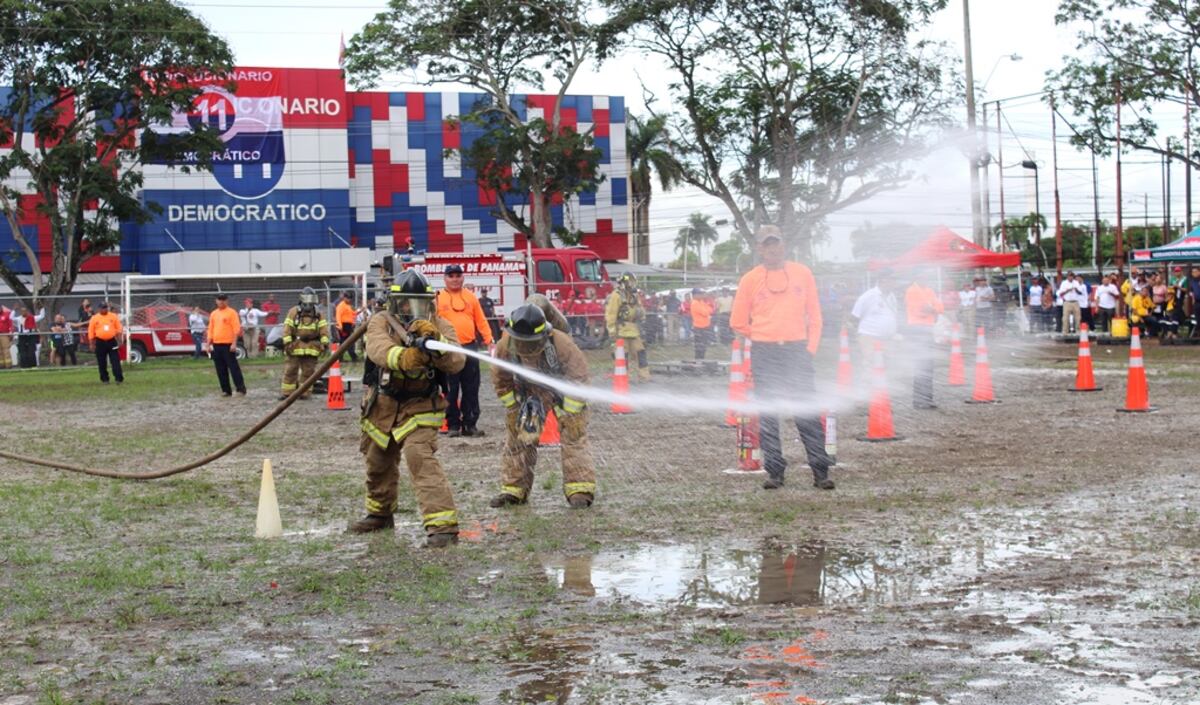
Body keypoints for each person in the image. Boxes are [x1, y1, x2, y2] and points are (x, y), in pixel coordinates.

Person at [350, 269, 465, 547]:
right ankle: (379, 514)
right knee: (378, 460)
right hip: (384, 404)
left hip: (421, 404)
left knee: (419, 457)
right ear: (395, 303)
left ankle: (442, 527)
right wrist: (406, 356)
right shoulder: (381, 321)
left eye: (419, 302)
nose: (412, 309)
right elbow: (378, 349)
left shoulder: (439, 324)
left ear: (429, 303)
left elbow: (457, 360)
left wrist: (437, 343)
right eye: (406, 302)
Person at [730, 225, 833, 491]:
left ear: (784, 245)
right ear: (759, 249)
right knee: (768, 413)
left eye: (776, 243)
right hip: (765, 353)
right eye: (767, 244)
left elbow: (816, 316)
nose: (772, 249)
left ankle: (820, 471)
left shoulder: (802, 273)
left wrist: (809, 347)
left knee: (806, 411)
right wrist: (763, 334)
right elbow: (738, 322)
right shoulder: (750, 279)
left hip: (797, 350)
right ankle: (775, 472)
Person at [489, 302, 594, 509]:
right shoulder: (504, 345)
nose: (525, 347)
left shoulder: (561, 343)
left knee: (573, 438)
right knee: (519, 440)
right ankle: (514, 490)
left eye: (531, 342)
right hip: (530, 393)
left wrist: (570, 411)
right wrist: (514, 407)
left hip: (563, 391)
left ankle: (580, 490)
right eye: (521, 342)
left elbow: (579, 376)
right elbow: (501, 379)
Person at [436, 263, 494, 437]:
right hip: (448, 349)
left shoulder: (471, 297)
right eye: (451, 276)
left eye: (458, 275)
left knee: (471, 387)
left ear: (463, 277)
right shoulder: (438, 298)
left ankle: (470, 424)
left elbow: (481, 320)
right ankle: (453, 424)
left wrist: (489, 340)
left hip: (470, 347)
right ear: (445, 279)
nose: (455, 279)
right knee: (450, 388)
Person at [279, 287, 330, 400]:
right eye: (307, 298)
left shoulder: (318, 314)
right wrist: (287, 342)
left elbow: (323, 329)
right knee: (291, 369)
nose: (308, 301)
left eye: (311, 298)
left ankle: (304, 392)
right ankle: (287, 393)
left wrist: (324, 343)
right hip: (295, 346)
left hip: (312, 346)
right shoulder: (294, 312)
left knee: (309, 372)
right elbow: (287, 328)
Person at [904, 272, 943, 409]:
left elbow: (940, 308)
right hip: (917, 330)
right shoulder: (912, 291)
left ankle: (926, 399)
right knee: (921, 365)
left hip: (927, 329)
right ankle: (920, 400)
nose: (925, 278)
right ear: (917, 277)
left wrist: (932, 310)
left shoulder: (929, 290)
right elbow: (919, 311)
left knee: (928, 365)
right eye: (923, 275)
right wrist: (933, 310)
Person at [605, 272, 650, 381]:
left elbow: (640, 309)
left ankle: (644, 376)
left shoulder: (634, 295)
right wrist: (612, 331)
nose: (632, 284)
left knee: (640, 352)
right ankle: (623, 377)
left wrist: (641, 314)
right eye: (630, 282)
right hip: (621, 330)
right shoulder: (616, 295)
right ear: (624, 282)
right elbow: (611, 314)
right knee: (622, 355)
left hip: (633, 329)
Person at [850, 270, 899, 367]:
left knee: (885, 366)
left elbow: (893, 316)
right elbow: (854, 316)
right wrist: (858, 336)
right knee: (871, 365)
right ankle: (867, 382)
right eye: (892, 280)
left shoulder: (892, 296)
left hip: (887, 339)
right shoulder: (868, 296)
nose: (895, 283)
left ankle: (882, 382)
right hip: (870, 338)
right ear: (883, 280)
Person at [205, 294, 246, 397]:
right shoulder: (214, 314)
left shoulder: (232, 313)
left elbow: (236, 329)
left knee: (233, 367)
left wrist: (234, 343)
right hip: (217, 344)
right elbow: (210, 329)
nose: (221, 302)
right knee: (220, 369)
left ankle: (240, 388)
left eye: (223, 300)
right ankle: (226, 390)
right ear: (216, 301)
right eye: (219, 300)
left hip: (228, 344)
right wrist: (208, 344)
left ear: (227, 301)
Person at [87, 301, 124, 384]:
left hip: (111, 341)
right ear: (99, 309)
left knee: (115, 360)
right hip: (100, 342)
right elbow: (91, 331)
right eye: (102, 308)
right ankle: (105, 379)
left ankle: (118, 378)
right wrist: (91, 343)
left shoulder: (113, 316)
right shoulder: (94, 318)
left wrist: (120, 339)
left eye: (105, 307)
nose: (104, 309)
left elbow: (118, 328)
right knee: (101, 362)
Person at [689, 288, 714, 360]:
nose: (701, 295)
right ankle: (698, 361)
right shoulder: (695, 303)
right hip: (699, 328)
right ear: (694, 295)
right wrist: (707, 310)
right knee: (699, 347)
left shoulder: (701, 302)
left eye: (701, 294)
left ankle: (701, 361)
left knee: (703, 346)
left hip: (705, 327)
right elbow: (705, 312)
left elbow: (711, 310)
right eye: (699, 294)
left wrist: (707, 309)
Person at [335, 292, 360, 362]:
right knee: (347, 342)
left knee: (345, 342)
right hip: (343, 326)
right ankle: (353, 357)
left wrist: (359, 311)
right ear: (344, 298)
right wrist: (340, 326)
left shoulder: (347, 305)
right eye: (348, 298)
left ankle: (341, 358)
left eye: (350, 299)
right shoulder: (341, 306)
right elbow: (338, 316)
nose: (349, 300)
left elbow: (352, 313)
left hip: (348, 326)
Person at [0, 304, 13, 369]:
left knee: (6, 349)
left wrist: (10, 333)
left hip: (4, 334)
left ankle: (8, 365)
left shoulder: (6, 314)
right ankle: (1, 365)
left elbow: (10, 324)